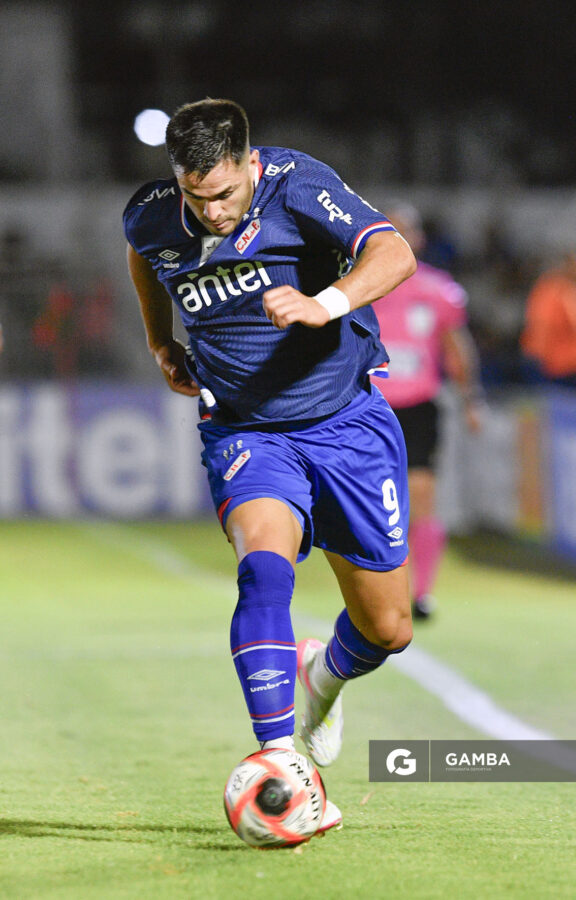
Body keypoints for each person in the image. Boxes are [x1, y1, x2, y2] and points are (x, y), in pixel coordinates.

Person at [123, 98, 417, 832]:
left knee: (387, 629)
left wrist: (327, 301)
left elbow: (394, 252)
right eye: (197, 197)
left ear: (249, 166)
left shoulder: (299, 184)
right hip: (247, 431)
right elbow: (142, 254)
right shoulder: (154, 214)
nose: (213, 212)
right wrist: (161, 339)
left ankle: (322, 677)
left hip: (347, 424)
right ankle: (281, 758)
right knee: (263, 565)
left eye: (224, 193)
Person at [372, 205, 483, 619]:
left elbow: (457, 348)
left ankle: (421, 593)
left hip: (419, 405)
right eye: (391, 230)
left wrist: (472, 398)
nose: (400, 238)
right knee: (373, 501)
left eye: (407, 231)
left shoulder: (437, 289)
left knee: (420, 494)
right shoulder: (361, 284)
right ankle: (383, 586)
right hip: (370, 406)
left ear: (418, 238)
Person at [520, 248, 576, 389]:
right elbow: (540, 325)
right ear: (567, 266)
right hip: (564, 368)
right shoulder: (549, 291)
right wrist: (535, 357)